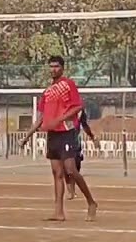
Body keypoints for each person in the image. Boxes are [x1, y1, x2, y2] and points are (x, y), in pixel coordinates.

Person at [20, 55, 99, 221]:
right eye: (51, 66)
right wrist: (27, 136)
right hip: (53, 134)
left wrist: (61, 119)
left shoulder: (68, 85)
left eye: (56, 66)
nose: (53, 69)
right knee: (57, 173)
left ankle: (91, 202)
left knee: (71, 169)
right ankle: (59, 211)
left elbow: (78, 106)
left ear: (62, 68)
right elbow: (41, 117)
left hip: (67, 132)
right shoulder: (47, 92)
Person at [66, 109, 95, 200]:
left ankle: (73, 190)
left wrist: (92, 136)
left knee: (76, 167)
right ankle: (70, 190)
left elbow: (84, 125)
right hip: (63, 139)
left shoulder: (80, 111)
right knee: (66, 168)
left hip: (75, 141)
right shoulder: (62, 108)